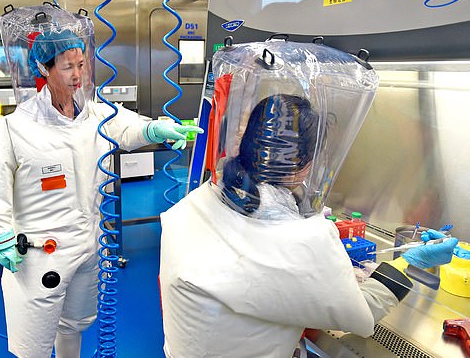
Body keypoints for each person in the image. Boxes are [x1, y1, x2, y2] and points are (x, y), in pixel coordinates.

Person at [158, 41, 458, 358]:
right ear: (305, 163)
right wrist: (412, 263)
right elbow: (361, 317)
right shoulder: (300, 240)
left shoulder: (202, 200)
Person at [0, 5, 201, 358]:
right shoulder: (8, 130)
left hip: (90, 245)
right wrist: (1, 235)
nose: (77, 75)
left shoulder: (95, 114)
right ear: (43, 69)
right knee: (32, 342)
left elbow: (127, 127)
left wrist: (156, 127)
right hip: (39, 255)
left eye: (81, 65)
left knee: (75, 324)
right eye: (67, 67)